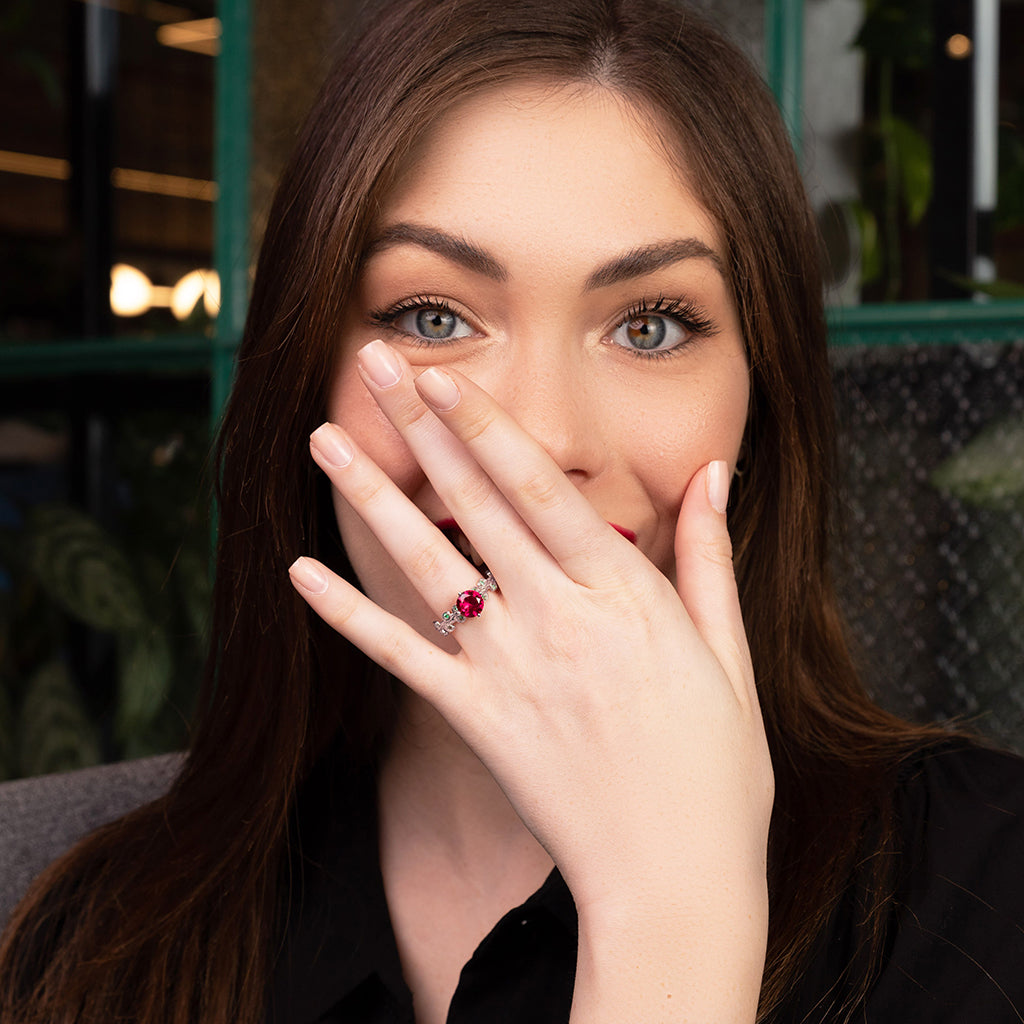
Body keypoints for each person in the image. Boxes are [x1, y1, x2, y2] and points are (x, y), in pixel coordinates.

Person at [3, 0, 1024, 1021]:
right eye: (433, 318)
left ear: (763, 397)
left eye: (652, 326)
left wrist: (672, 911)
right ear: (305, 376)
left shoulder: (989, 894)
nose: (537, 440)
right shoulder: (90, 942)